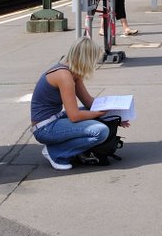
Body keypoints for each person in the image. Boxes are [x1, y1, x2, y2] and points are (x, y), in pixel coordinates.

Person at [30, 37, 129, 170]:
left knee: (93, 114)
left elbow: (89, 102)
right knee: (100, 131)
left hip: (54, 119)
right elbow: (74, 116)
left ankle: (59, 148)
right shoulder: (64, 77)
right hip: (45, 128)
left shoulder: (72, 72)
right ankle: (56, 152)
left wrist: (115, 114)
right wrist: (98, 114)